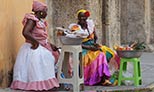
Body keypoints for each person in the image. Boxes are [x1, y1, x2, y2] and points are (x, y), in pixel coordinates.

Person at [10, 0, 59, 91]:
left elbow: (42, 37)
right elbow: (25, 32)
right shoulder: (32, 20)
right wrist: (35, 42)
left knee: (52, 57)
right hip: (33, 47)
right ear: (40, 11)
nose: (46, 13)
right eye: (45, 11)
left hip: (41, 46)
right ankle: (37, 85)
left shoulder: (40, 21)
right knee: (39, 66)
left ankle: (47, 83)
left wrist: (50, 44)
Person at [67, 9, 120, 86]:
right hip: (83, 49)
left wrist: (95, 45)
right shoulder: (75, 28)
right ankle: (103, 78)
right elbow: (76, 43)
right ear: (78, 18)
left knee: (110, 53)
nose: (82, 19)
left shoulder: (90, 26)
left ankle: (112, 76)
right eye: (80, 17)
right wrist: (90, 47)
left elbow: (95, 38)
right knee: (100, 55)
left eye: (84, 17)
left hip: (92, 47)